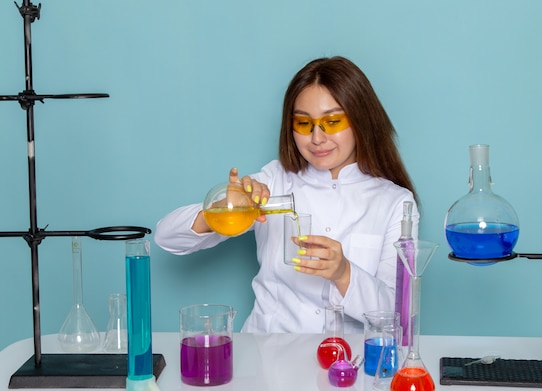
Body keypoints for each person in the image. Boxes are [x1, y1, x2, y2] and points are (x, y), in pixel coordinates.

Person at [155, 56, 419, 333]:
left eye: (332, 122)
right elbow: (166, 236)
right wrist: (225, 209)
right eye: (304, 124)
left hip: (350, 361)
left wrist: (344, 273)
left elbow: (398, 314)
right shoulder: (271, 182)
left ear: (361, 121)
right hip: (267, 355)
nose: (317, 138)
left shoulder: (395, 203)